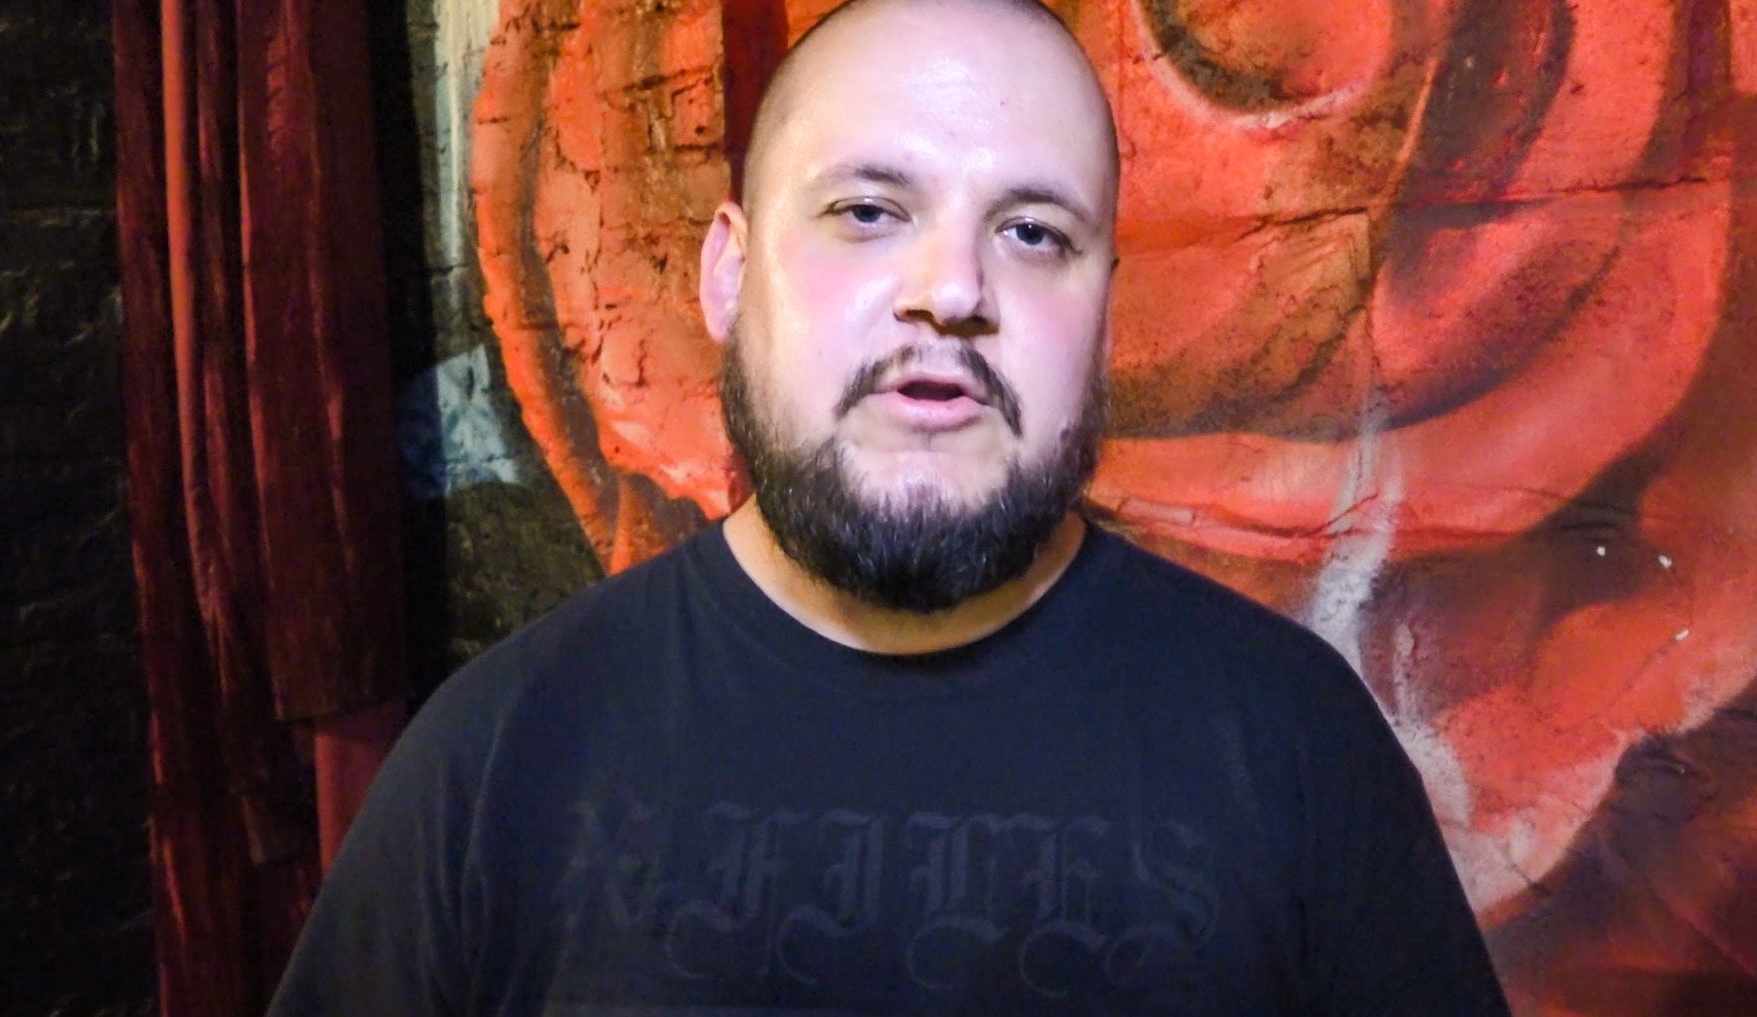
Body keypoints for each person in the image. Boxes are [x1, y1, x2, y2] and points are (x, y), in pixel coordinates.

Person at [270, 0, 1509, 1012]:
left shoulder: (1291, 744)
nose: (951, 289)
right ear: (725, 274)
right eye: (867, 212)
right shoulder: (499, 759)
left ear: (1103, 309)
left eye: (1033, 233)